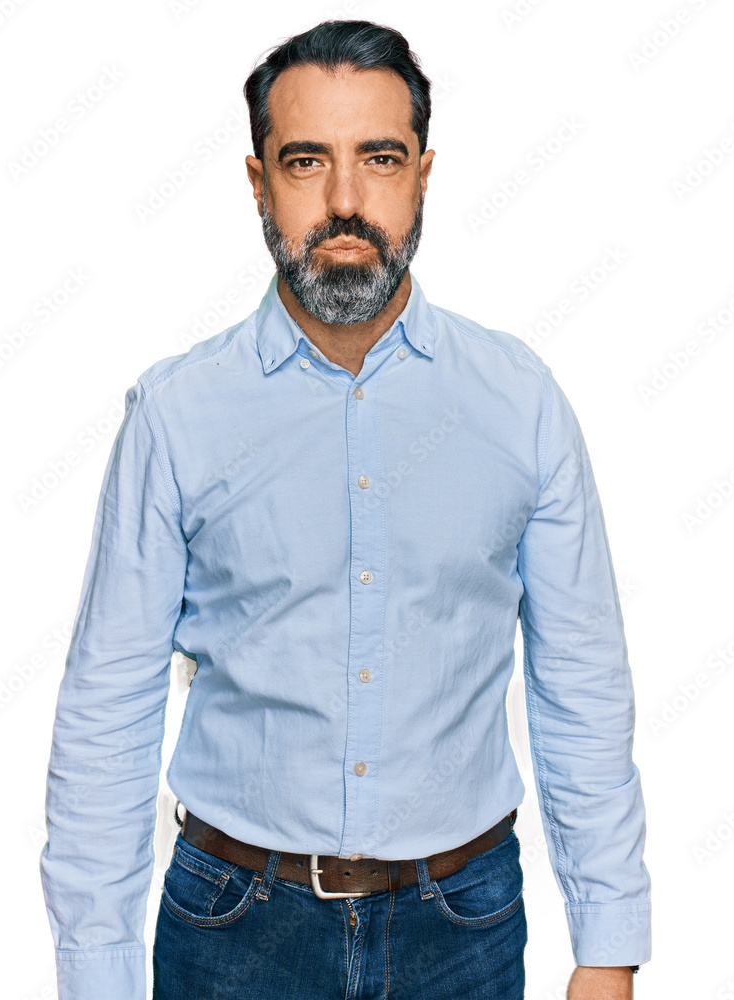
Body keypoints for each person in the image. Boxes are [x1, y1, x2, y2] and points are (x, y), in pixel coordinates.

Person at [39, 18, 651, 1000]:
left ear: (422, 174)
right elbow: (108, 708)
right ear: (258, 183)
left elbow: (581, 683)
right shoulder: (177, 414)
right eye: (304, 161)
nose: (344, 201)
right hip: (233, 929)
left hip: (465, 925)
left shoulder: (519, 403)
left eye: (379, 158)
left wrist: (608, 946)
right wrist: (95, 977)